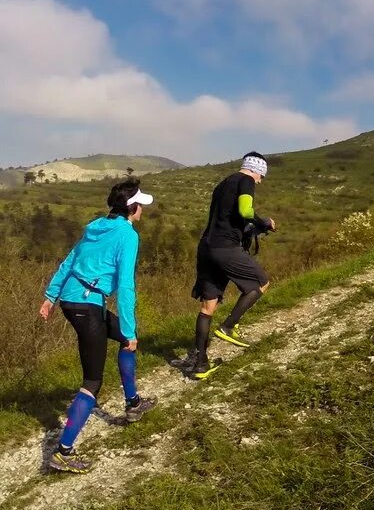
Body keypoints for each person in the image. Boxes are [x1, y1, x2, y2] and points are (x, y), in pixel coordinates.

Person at [40, 180, 157, 473]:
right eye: (140, 203)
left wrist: (51, 296)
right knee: (93, 380)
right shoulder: (128, 235)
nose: (142, 208)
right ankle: (63, 452)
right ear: (132, 208)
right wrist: (130, 328)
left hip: (74, 300)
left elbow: (69, 261)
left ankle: (132, 404)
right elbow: (127, 286)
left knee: (123, 337)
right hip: (86, 306)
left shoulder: (95, 226)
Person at [174, 152, 276, 380]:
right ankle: (229, 326)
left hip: (207, 246)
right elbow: (245, 211)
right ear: (257, 170)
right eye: (262, 176)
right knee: (261, 283)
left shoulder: (223, 184)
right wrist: (264, 222)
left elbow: (228, 217)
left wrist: (250, 229)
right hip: (225, 247)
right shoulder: (247, 181)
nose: (260, 181)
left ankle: (201, 365)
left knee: (207, 308)